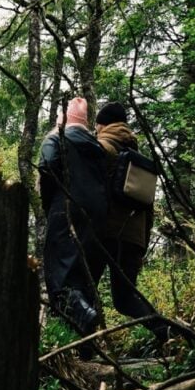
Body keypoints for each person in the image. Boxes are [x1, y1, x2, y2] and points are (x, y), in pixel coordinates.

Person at [87, 101, 171, 345]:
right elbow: (148, 211)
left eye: (97, 125)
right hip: (133, 240)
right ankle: (166, 330)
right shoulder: (140, 161)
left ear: (102, 125)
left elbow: (88, 193)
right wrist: (141, 245)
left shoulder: (101, 149)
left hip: (104, 234)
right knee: (125, 298)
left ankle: (86, 348)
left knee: (85, 290)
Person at [38, 97, 107, 340]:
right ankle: (86, 343)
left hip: (66, 207)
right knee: (85, 276)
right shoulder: (98, 147)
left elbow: (46, 166)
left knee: (59, 275)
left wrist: (51, 204)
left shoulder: (57, 137)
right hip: (98, 216)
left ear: (64, 120)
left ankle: (84, 318)